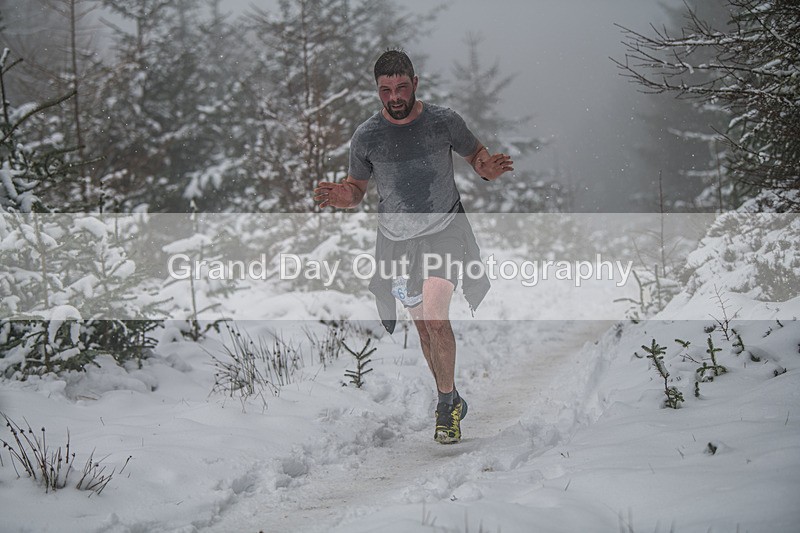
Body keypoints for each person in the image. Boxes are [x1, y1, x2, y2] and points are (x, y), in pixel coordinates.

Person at [313, 49, 513, 444]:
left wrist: (487, 169)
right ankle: (450, 396)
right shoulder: (367, 136)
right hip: (397, 242)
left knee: (436, 318)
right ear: (377, 90)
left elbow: (476, 154)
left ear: (415, 83)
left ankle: (444, 408)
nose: (395, 97)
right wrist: (343, 196)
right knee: (423, 329)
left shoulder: (443, 121)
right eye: (385, 90)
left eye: (401, 87)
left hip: (445, 230)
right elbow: (356, 189)